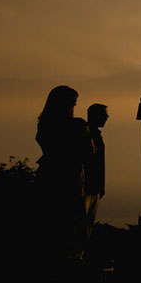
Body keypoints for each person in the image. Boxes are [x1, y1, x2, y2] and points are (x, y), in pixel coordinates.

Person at [35, 85, 94, 260]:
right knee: (71, 223)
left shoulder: (44, 124)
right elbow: (89, 153)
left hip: (48, 175)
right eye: (73, 103)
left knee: (51, 222)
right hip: (69, 178)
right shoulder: (77, 126)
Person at [83, 103, 108, 241]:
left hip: (95, 188)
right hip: (87, 187)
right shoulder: (86, 134)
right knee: (82, 223)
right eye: (104, 115)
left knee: (88, 224)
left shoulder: (97, 135)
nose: (107, 118)